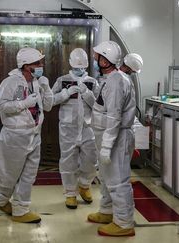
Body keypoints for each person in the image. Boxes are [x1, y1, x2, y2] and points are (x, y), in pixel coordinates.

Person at [0, 47, 54, 223]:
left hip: (34, 134)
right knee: (9, 174)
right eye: (37, 63)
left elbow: (48, 106)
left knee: (29, 174)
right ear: (26, 66)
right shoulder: (10, 82)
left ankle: (20, 209)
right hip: (15, 136)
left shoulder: (37, 81)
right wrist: (24, 103)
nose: (41, 66)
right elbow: (0, 106)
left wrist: (46, 88)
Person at [87, 41, 136, 237]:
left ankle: (124, 223)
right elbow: (102, 108)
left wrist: (107, 147)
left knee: (118, 180)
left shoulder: (117, 81)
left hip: (116, 137)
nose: (94, 58)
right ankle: (107, 212)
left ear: (105, 60)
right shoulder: (110, 79)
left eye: (97, 55)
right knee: (107, 179)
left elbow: (114, 117)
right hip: (107, 135)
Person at [51, 48, 98, 209]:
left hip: (87, 128)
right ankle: (70, 193)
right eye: (77, 68)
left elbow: (99, 105)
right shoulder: (62, 80)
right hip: (67, 129)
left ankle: (84, 185)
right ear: (71, 64)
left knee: (92, 159)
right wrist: (65, 93)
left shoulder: (92, 82)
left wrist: (87, 94)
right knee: (67, 162)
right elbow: (50, 101)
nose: (80, 70)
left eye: (83, 67)